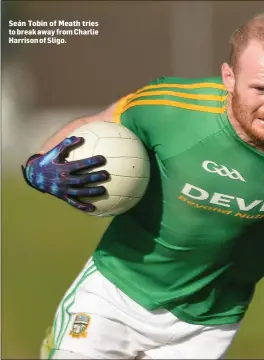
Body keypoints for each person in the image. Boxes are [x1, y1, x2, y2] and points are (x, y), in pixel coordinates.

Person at [22, 12, 264, 360]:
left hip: (208, 325)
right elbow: (95, 124)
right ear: (229, 77)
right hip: (115, 293)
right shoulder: (168, 108)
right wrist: (36, 167)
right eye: (260, 88)